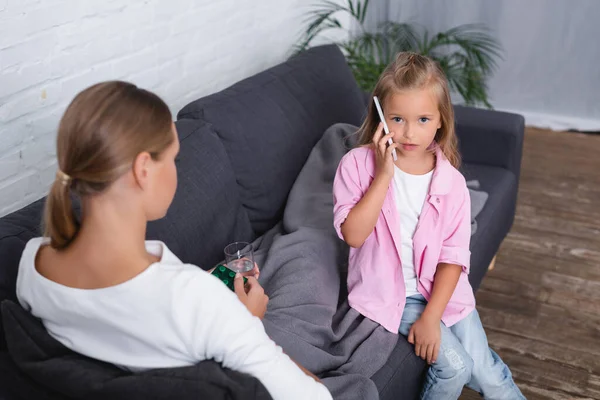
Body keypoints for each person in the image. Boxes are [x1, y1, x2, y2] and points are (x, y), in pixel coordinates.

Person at [16, 81, 331, 400]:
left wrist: (213, 297)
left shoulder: (34, 263)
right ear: (142, 170)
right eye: (173, 159)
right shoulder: (196, 301)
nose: (176, 173)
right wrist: (248, 324)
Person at [332, 52, 525, 400]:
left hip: (443, 292)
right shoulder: (356, 166)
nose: (409, 132)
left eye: (422, 119)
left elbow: (452, 259)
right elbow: (354, 235)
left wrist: (432, 317)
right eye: (397, 119)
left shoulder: (451, 182)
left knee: (491, 376)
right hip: (392, 294)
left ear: (441, 121)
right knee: (455, 367)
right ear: (380, 118)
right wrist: (384, 175)